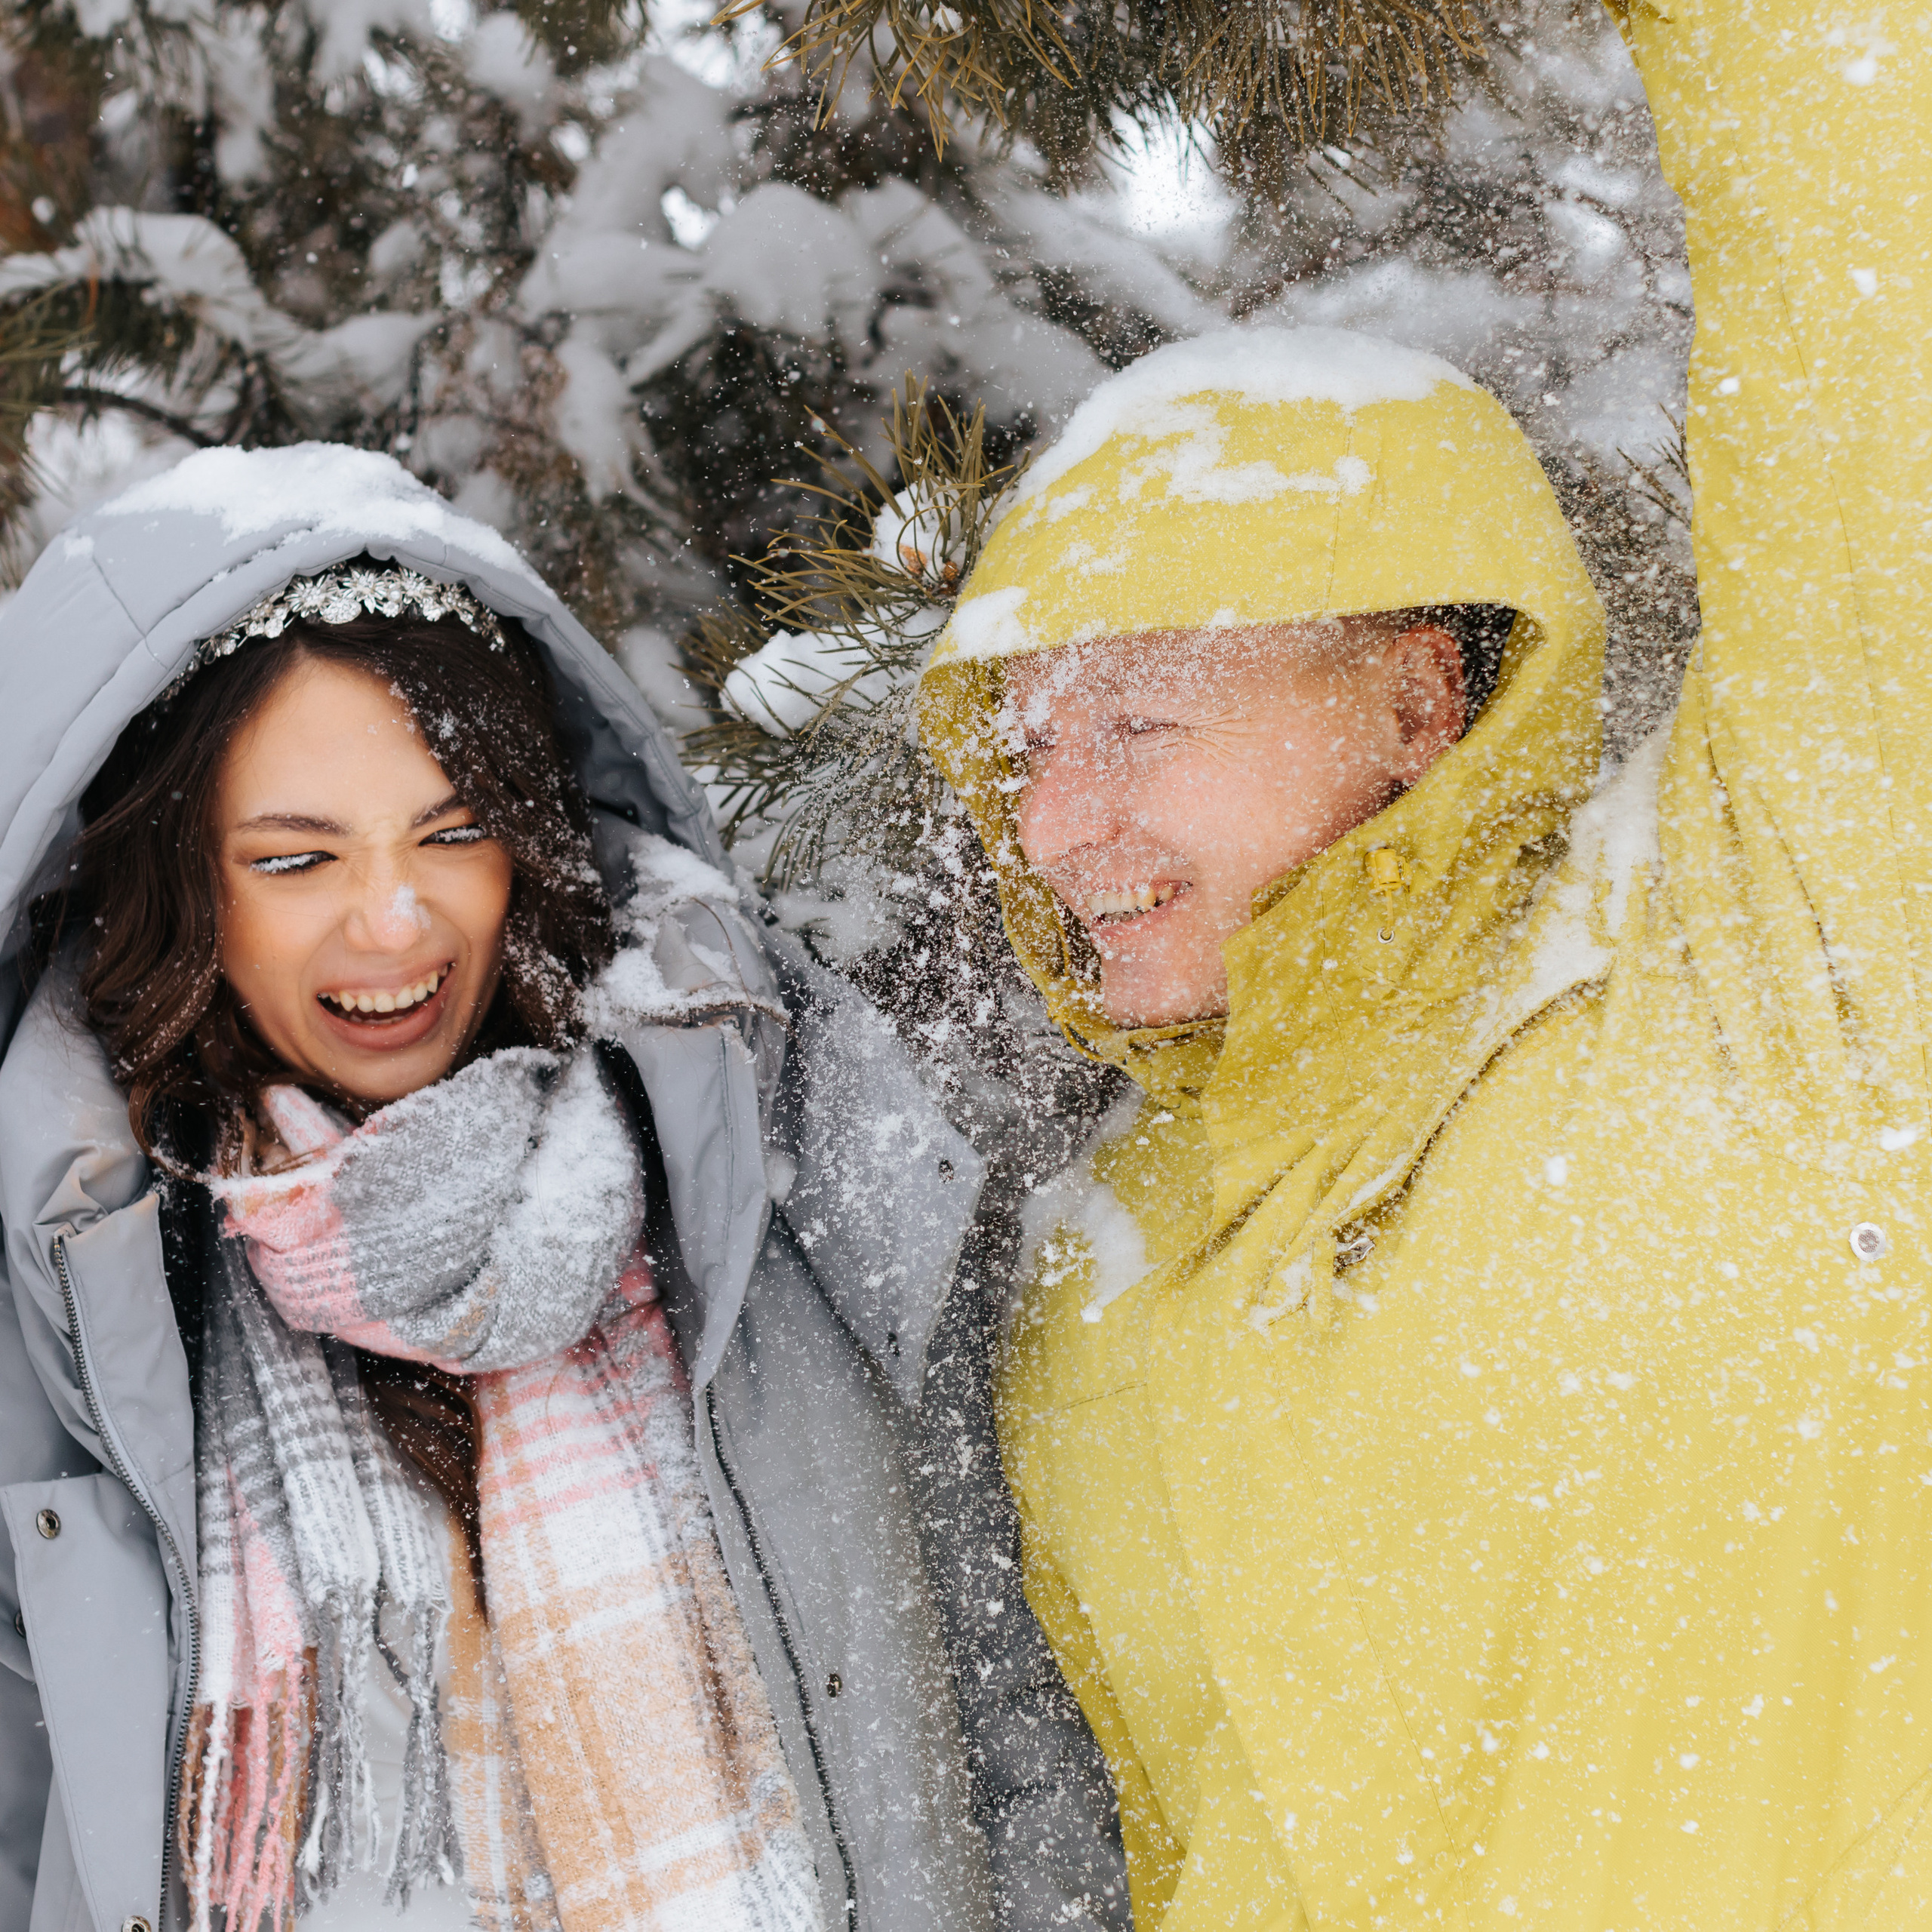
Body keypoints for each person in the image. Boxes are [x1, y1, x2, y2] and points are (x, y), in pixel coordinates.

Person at [915, 6, 1932, 1924]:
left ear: (1409, 690)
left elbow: (1878, 319)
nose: (1049, 828)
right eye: (1021, 744)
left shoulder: (1766, 964)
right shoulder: (1097, 1280)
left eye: (1132, 720)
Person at [0, 446, 1127, 1932]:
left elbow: (1014, 1715)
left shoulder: (751, 1150)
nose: (393, 919)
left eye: (452, 833)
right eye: (294, 857)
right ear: (175, 875)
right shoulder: (78, 1282)